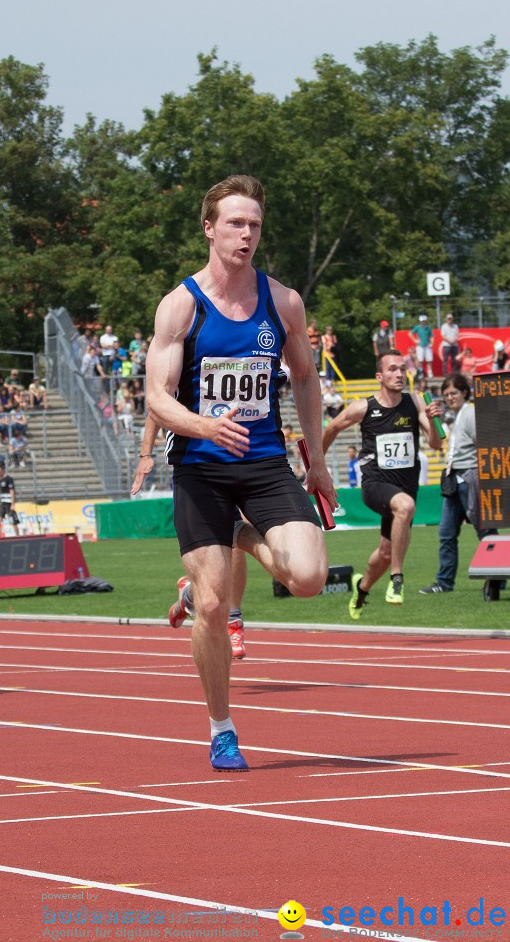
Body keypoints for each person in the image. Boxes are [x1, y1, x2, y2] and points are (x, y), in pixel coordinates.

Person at [145, 174, 336, 771]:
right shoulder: (181, 305)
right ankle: (222, 729)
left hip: (263, 463)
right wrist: (204, 426)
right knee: (209, 604)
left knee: (308, 576)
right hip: (201, 469)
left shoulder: (283, 303)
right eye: (235, 223)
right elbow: (157, 395)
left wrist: (319, 457)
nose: (246, 234)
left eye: (254, 224)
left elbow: (304, 377)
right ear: (209, 228)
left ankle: (243, 536)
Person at [322, 350, 443, 620]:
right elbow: (330, 429)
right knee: (406, 506)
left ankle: (361, 589)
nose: (399, 374)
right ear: (379, 376)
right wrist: (316, 466)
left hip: (405, 485)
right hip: (376, 484)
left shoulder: (414, 402)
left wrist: (434, 420)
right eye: (392, 369)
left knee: (386, 552)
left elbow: (435, 444)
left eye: (402, 369)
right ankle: (397, 579)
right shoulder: (363, 407)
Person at [131, 416, 249, 660]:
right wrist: (145, 454)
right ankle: (191, 597)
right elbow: (156, 404)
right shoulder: (184, 378)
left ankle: (232, 619)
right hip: (196, 465)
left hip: (243, 458)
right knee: (219, 561)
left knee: (239, 534)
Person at [420, 373, 499, 598]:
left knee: (485, 532)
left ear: (465, 392)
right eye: (446, 394)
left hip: (470, 477)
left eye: (454, 393)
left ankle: (499, 578)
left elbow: (484, 444)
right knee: (446, 533)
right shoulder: (458, 415)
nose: (450, 397)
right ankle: (444, 582)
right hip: (455, 479)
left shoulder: (471, 413)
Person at [0, 462, 19, 533]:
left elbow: (12, 491)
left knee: (13, 522)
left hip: (9, 504)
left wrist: (13, 504)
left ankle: (18, 537)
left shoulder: (9, 479)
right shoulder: (0, 480)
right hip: (3, 504)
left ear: (3, 470)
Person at [409, 314, 434, 379]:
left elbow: (431, 336)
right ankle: (421, 373)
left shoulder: (428, 327)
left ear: (426, 321)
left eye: (424, 321)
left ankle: (430, 373)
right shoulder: (418, 327)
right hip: (420, 346)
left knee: (429, 360)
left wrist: (431, 343)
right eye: (421, 321)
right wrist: (415, 340)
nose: (422, 322)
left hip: (427, 346)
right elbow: (410, 333)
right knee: (420, 361)